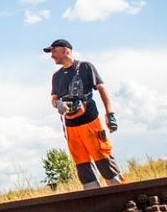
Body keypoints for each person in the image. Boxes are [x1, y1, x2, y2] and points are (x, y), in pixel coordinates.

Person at [44, 39, 124, 190]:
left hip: (91, 122)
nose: (52, 56)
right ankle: (94, 198)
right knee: (82, 164)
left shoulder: (85, 67)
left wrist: (110, 114)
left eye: (54, 51)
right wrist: (58, 104)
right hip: (71, 127)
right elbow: (54, 99)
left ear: (66, 50)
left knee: (103, 159)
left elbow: (101, 88)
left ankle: (120, 192)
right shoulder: (56, 76)